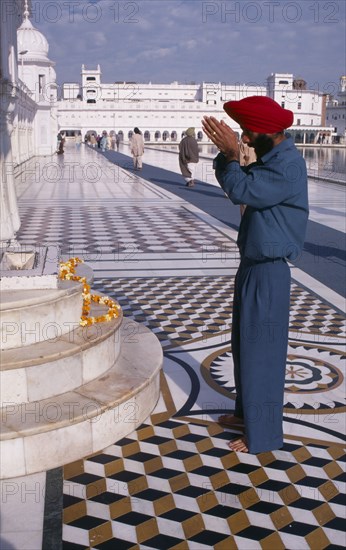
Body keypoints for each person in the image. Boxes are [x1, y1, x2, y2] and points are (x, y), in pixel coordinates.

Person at [202, 96, 309, 454]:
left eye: (248, 134)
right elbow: (238, 182)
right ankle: (247, 413)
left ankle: (262, 435)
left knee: (263, 353)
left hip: (269, 271)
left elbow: (242, 189)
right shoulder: (271, 158)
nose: (245, 140)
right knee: (245, 347)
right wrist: (228, 155)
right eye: (243, 135)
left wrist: (232, 156)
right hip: (252, 265)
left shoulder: (287, 165)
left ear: (267, 133)